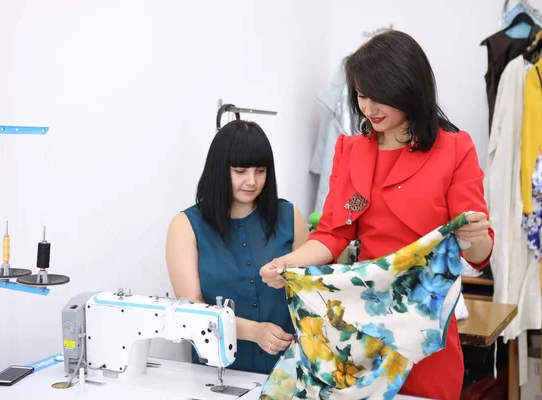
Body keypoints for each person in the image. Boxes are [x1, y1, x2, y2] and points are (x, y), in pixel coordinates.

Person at [260, 30, 494, 400]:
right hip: (362, 328)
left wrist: (477, 237)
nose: (368, 108)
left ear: (409, 89)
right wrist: (287, 264)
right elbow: (333, 236)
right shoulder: (351, 151)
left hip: (425, 332)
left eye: (380, 96)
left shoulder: (454, 149)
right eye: (362, 96)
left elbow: (478, 256)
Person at [165, 119, 310, 374]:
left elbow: (311, 292)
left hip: (289, 369)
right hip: (217, 372)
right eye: (240, 171)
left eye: (261, 170)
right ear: (220, 170)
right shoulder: (185, 226)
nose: (252, 181)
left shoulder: (290, 216)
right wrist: (254, 332)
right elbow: (191, 308)